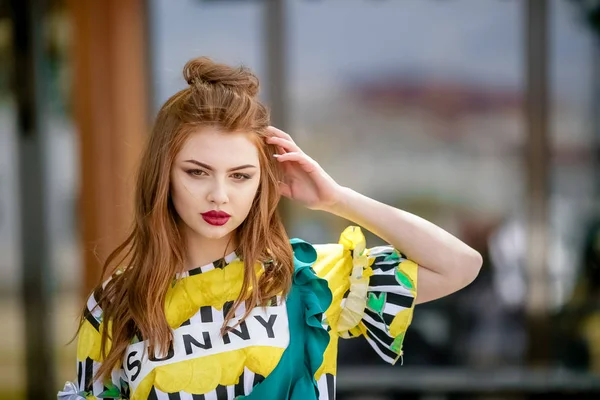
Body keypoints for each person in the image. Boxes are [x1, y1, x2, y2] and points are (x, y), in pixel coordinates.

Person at [58, 57, 482, 400]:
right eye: (197, 172)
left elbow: (459, 265)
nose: (219, 195)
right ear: (163, 176)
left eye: (240, 175)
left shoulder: (305, 277)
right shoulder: (116, 302)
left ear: (262, 182)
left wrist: (336, 199)